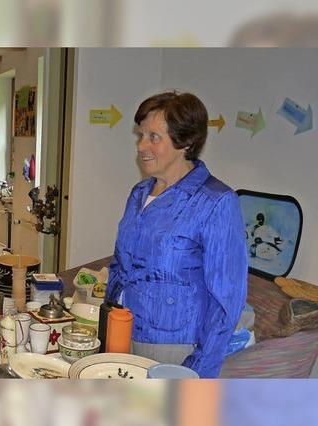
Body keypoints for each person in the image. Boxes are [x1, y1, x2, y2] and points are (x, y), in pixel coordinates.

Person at [105, 91, 248, 378]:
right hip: (123, 331)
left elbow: (226, 302)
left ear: (185, 142)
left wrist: (197, 370)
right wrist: (107, 318)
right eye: (141, 135)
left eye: (153, 137)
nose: (141, 146)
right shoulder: (139, 193)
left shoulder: (215, 201)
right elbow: (120, 265)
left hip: (174, 348)